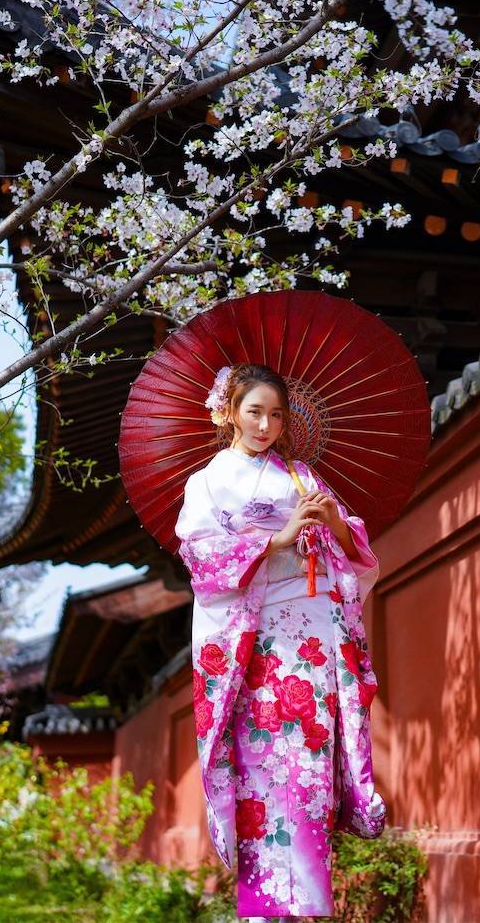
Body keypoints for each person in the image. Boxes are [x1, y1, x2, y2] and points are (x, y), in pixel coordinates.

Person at [175, 362, 386, 918]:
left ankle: (312, 905)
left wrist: (328, 524)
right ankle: (265, 908)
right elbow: (202, 560)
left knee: (309, 767)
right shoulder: (208, 482)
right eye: (254, 412)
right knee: (264, 767)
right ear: (228, 413)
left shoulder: (301, 476)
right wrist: (280, 540)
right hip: (255, 644)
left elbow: (351, 549)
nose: (265, 424)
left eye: (275, 414)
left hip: (312, 640)